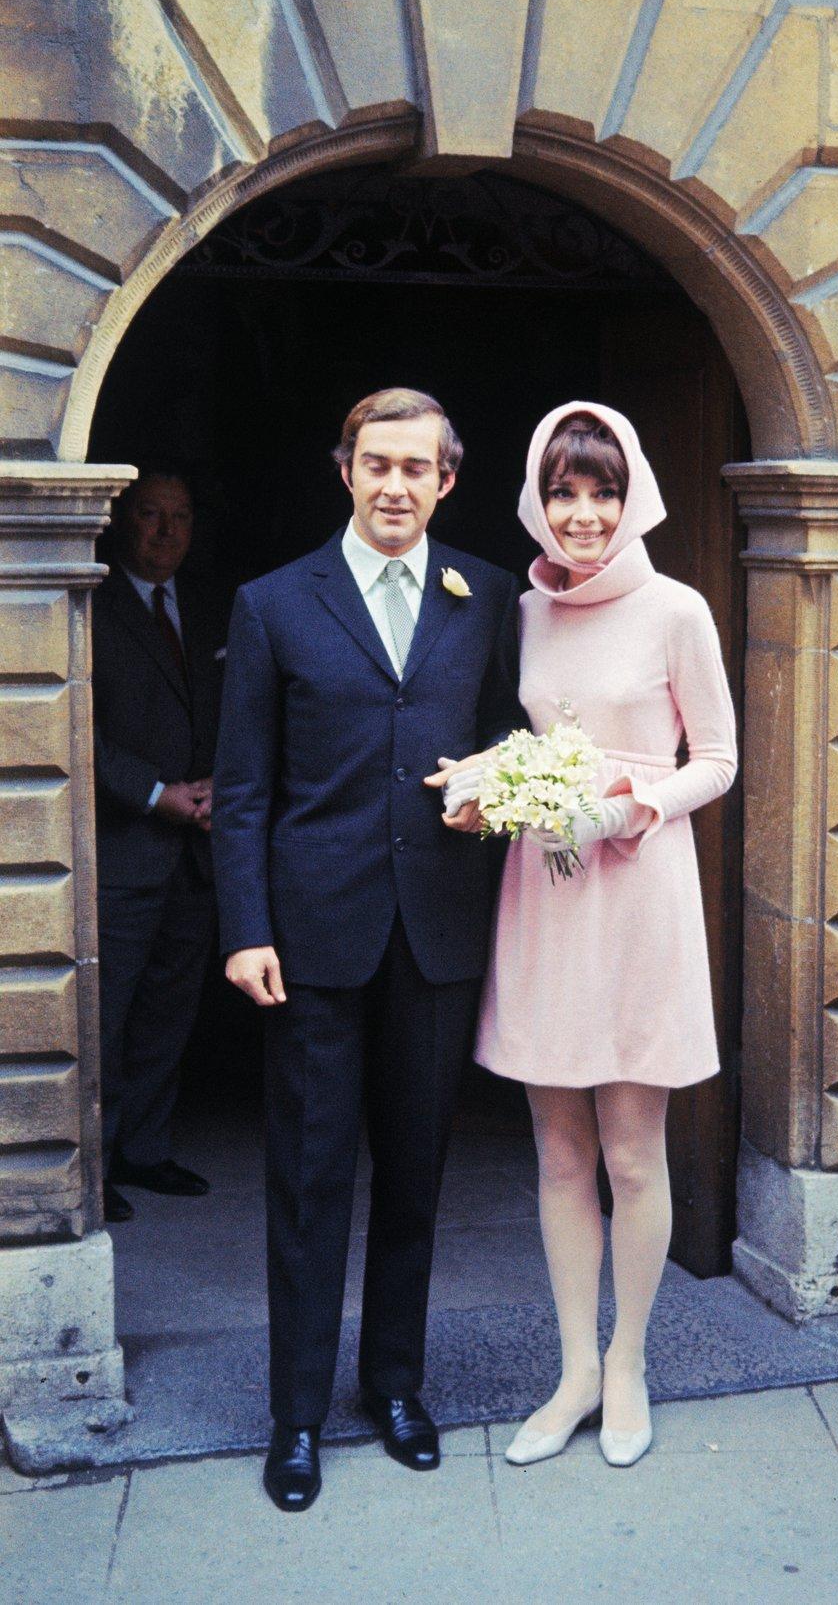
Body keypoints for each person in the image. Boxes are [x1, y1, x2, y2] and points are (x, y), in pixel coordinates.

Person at [210, 388, 524, 1513]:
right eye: (375, 463)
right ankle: (295, 1415)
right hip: (309, 938)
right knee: (306, 1179)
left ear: (448, 477)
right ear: (343, 469)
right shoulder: (273, 602)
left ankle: (395, 1385)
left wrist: (495, 785)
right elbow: (242, 788)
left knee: (415, 1173)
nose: (395, 485)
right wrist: (244, 925)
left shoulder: (484, 593)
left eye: (418, 467)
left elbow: (509, 732)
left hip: (435, 930)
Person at [469, 401, 736, 1468]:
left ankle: (628, 1360)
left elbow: (714, 755)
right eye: (564, 490)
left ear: (634, 498)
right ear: (537, 497)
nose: (582, 513)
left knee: (631, 1148)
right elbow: (511, 735)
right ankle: (573, 1365)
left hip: (635, 888)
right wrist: (489, 788)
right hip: (542, 887)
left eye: (603, 489)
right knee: (557, 1148)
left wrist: (628, 808)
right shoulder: (520, 610)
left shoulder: (676, 608)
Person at [92, 468, 221, 1225]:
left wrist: (214, 789)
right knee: (104, 1019)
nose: (166, 531)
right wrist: (154, 794)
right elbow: (70, 725)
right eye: (150, 515)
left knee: (169, 1012)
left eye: (180, 516)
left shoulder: (208, 609)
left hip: (196, 850)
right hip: (123, 847)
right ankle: (94, 1164)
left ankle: (143, 1148)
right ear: (120, 521)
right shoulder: (90, 603)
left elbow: (246, 707)